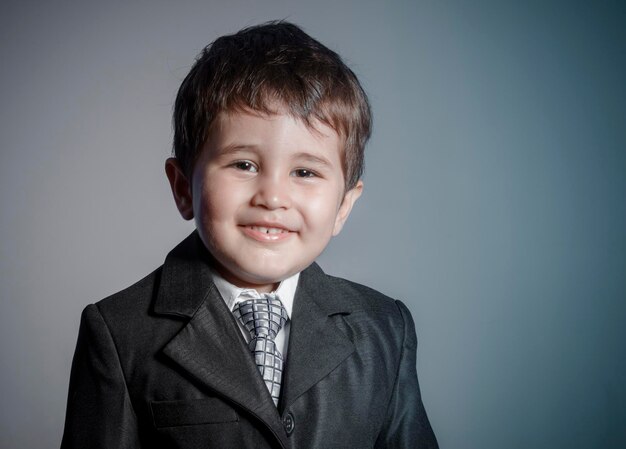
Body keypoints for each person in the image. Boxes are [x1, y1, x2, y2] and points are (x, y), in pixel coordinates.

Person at [60, 21, 438, 449]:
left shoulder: (385, 328)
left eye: (305, 172)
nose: (273, 197)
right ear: (184, 187)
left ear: (343, 207)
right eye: (244, 164)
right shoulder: (119, 332)